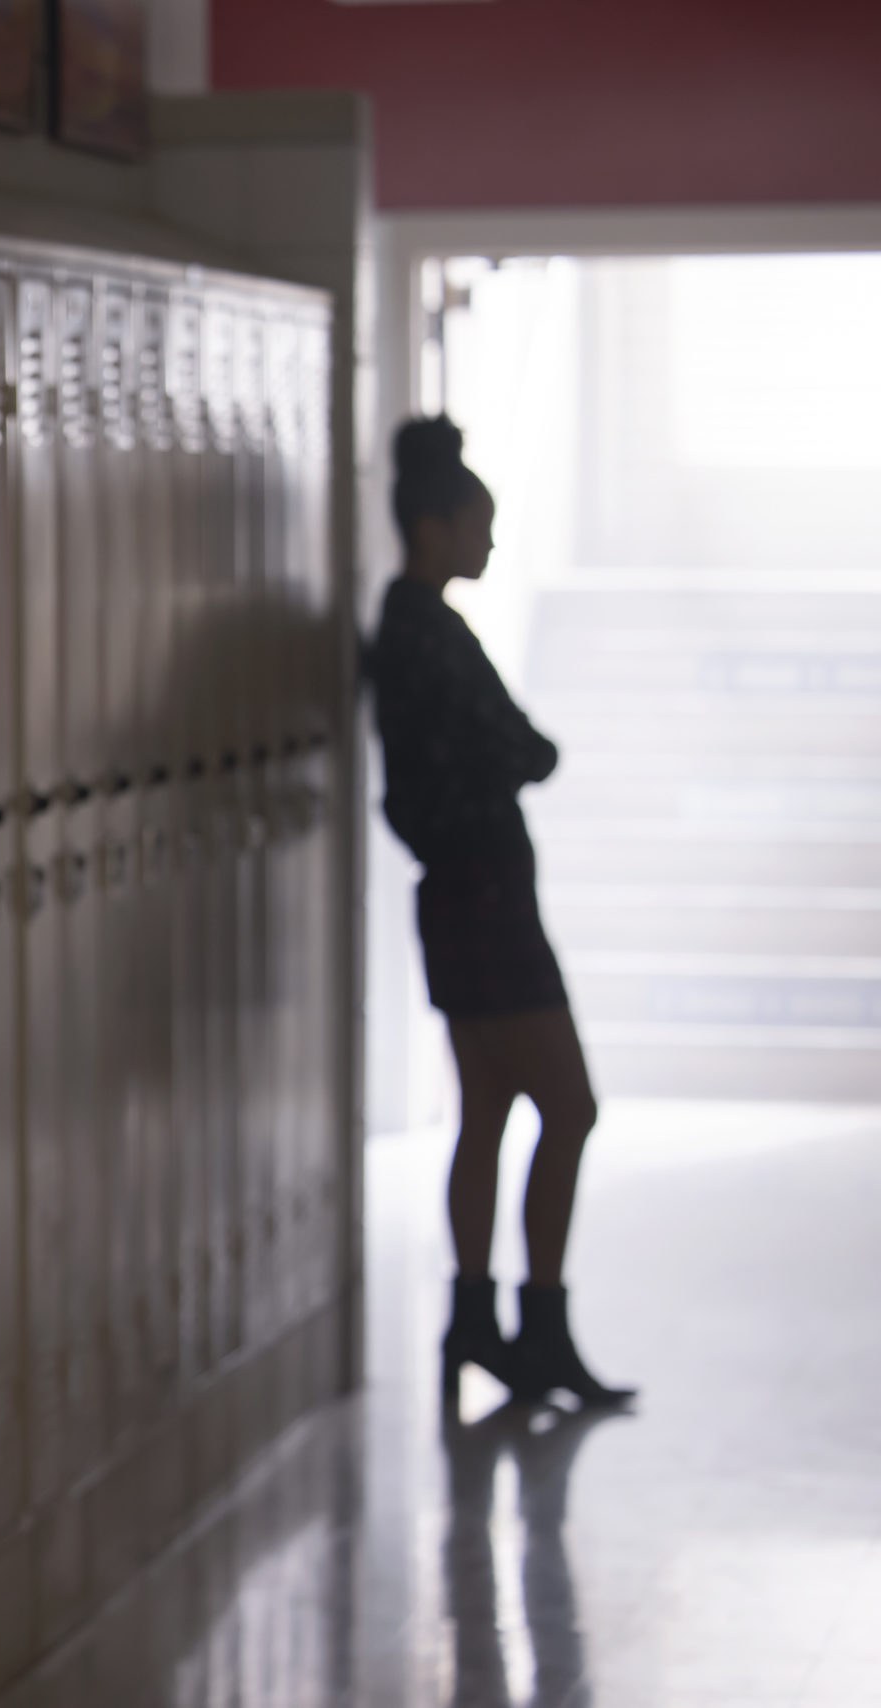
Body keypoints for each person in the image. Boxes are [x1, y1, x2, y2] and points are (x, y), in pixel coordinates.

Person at [368, 416, 633, 1410]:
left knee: (485, 1110)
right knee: (569, 1106)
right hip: (484, 902)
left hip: (460, 897)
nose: (485, 545)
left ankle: (476, 1321)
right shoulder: (427, 633)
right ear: (432, 527)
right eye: (476, 527)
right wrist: (516, 754)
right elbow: (528, 750)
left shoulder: (409, 623)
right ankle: (539, 1323)